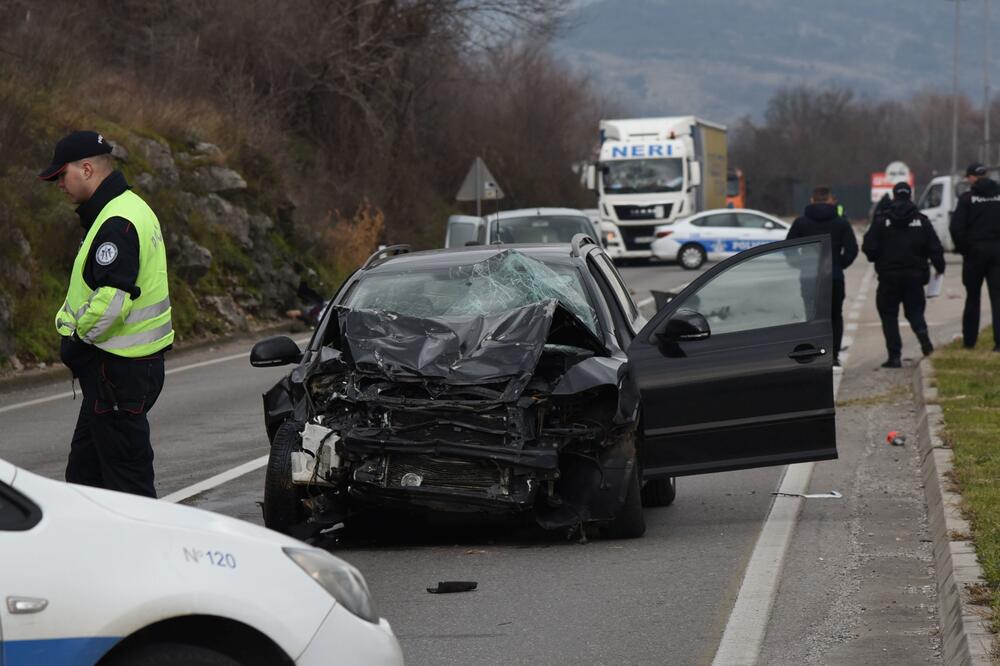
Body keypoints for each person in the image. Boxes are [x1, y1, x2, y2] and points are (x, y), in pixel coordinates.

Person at [40, 131, 173, 497]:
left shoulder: (117, 221)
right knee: (86, 477)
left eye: (61, 176)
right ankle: (93, 549)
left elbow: (113, 298)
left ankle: (144, 552)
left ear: (86, 169)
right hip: (120, 372)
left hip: (118, 370)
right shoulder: (129, 208)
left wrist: (77, 339)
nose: (59, 186)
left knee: (126, 485)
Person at [862, 182, 945, 368]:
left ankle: (894, 356)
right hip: (915, 277)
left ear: (894, 196)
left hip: (888, 277)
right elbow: (935, 248)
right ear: (910, 196)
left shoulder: (882, 221)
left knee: (889, 315)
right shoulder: (921, 221)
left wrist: (878, 258)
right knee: (915, 311)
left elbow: (868, 248)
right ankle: (923, 336)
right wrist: (940, 267)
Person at [787, 185, 859, 366]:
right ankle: (833, 356)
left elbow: (789, 249)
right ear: (829, 200)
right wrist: (839, 264)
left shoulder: (801, 223)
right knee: (835, 316)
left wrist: (802, 265)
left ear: (812, 200)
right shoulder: (841, 222)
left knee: (812, 317)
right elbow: (852, 249)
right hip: (834, 277)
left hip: (810, 278)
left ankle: (815, 355)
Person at [950, 162, 1000, 350]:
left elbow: (956, 227)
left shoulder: (967, 199)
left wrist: (965, 249)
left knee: (973, 297)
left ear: (972, 178)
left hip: (975, 254)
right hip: (997, 252)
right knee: (998, 298)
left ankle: (970, 341)